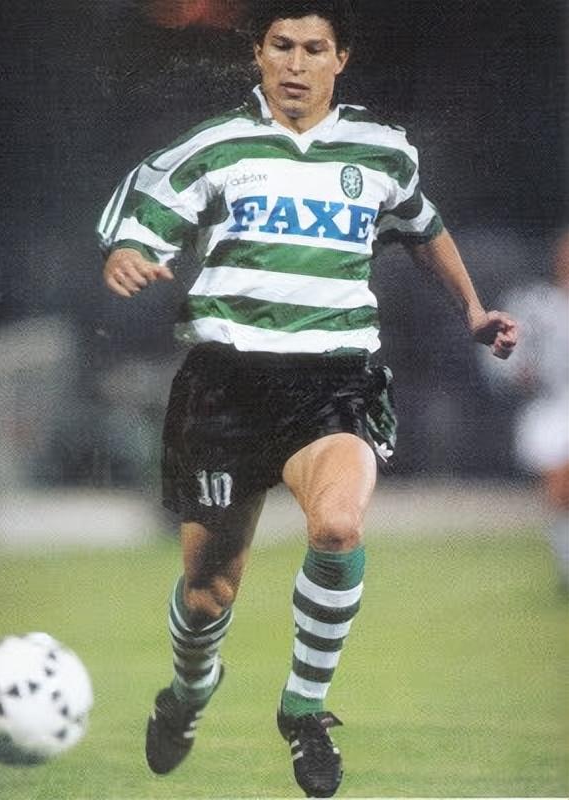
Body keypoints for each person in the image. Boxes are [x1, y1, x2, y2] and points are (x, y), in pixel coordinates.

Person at [97, 2, 518, 795]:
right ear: (257, 54)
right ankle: (191, 686)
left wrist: (471, 308)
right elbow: (142, 221)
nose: (296, 64)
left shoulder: (381, 150)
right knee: (208, 593)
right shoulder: (216, 145)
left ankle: (304, 710)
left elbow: (423, 227)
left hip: (334, 379)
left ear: (340, 58)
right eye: (281, 46)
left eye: (314, 48)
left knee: (337, 525)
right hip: (226, 384)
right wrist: (126, 253)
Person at [480, 232, 569, 594]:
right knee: (560, 488)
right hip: (552, 406)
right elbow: (500, 354)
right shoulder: (536, 305)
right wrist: (517, 370)